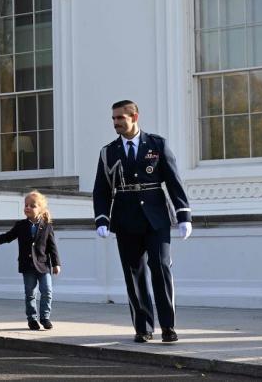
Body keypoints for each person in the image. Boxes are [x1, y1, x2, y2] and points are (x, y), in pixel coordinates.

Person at [93, 100, 192, 344]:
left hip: (156, 218)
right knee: (133, 274)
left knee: (161, 269)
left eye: (120, 118)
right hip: (125, 218)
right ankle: (143, 327)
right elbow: (101, 189)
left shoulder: (157, 144)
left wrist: (183, 215)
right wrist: (102, 218)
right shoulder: (108, 151)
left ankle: (168, 326)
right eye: (113, 119)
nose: (116, 123)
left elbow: (173, 181)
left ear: (134, 116)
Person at [0, 191, 61, 331]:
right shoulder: (20, 225)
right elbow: (8, 236)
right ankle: (32, 319)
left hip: (43, 265)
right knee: (30, 293)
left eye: (32, 205)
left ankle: (45, 318)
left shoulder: (47, 226)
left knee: (47, 291)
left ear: (40, 209)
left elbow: (52, 246)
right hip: (27, 266)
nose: (28, 208)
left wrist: (56, 264)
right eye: (26, 205)